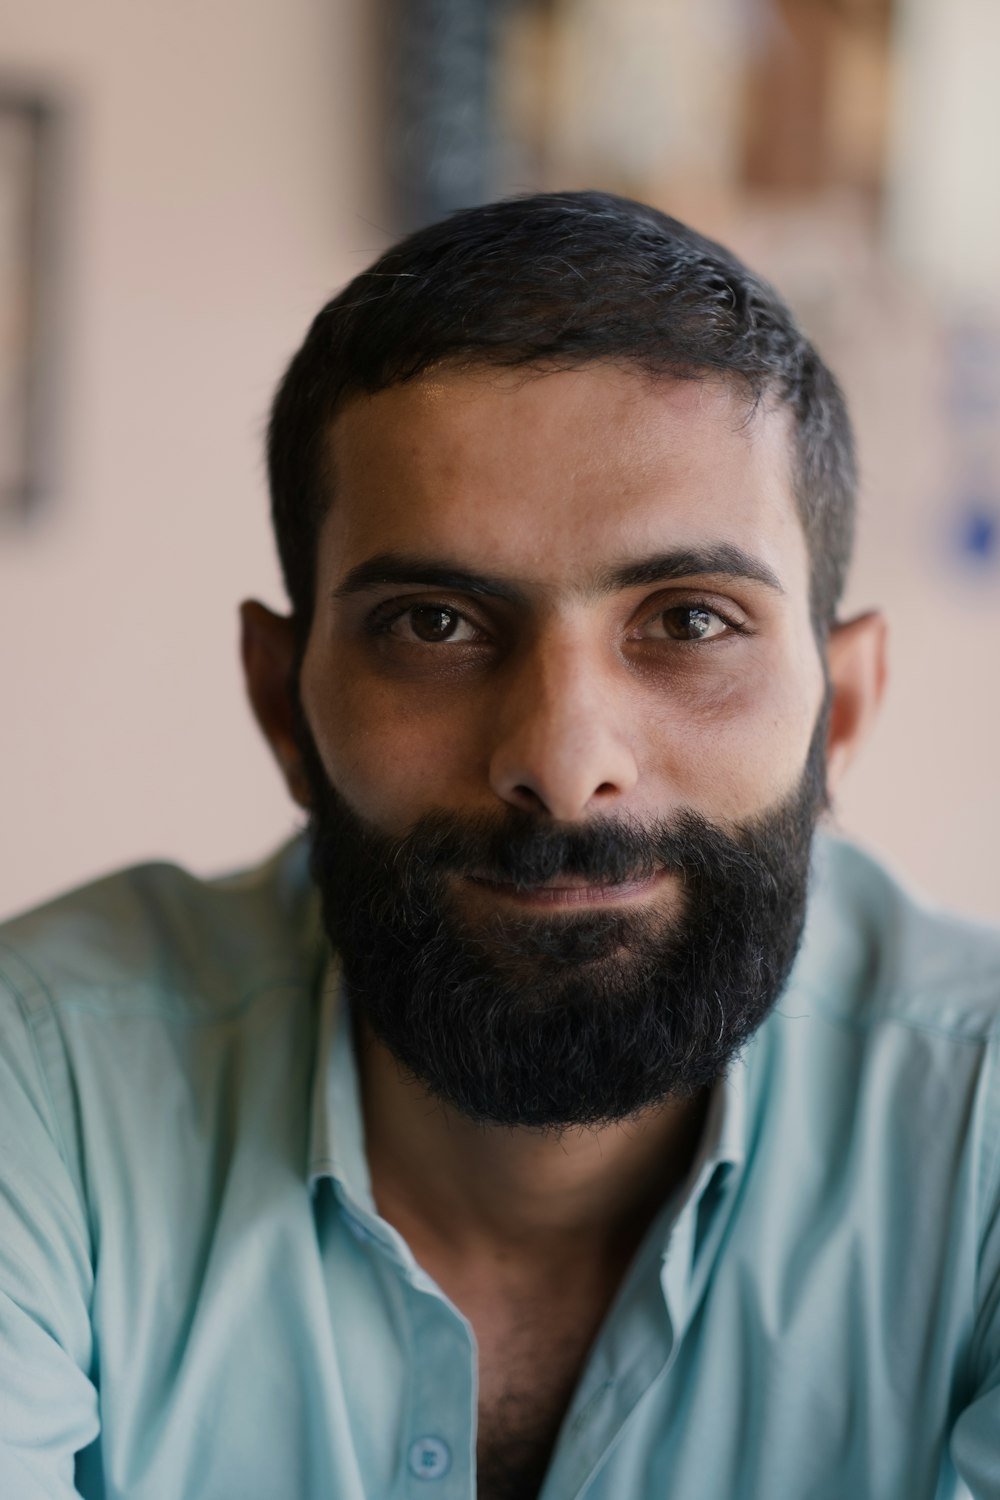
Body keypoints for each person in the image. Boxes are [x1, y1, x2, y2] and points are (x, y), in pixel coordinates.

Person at [1, 190, 997, 1500]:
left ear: (846, 707)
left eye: (690, 622)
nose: (563, 758)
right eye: (433, 624)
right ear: (278, 703)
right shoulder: (44, 1085)